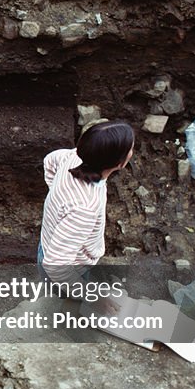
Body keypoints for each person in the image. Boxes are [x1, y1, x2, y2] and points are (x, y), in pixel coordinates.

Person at [38, 120, 134, 312]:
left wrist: (57, 193)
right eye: (130, 149)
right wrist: (94, 297)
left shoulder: (72, 157)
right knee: (70, 306)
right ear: (120, 163)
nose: (133, 151)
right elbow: (57, 267)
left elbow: (49, 161)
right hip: (72, 265)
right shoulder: (85, 208)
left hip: (47, 245)